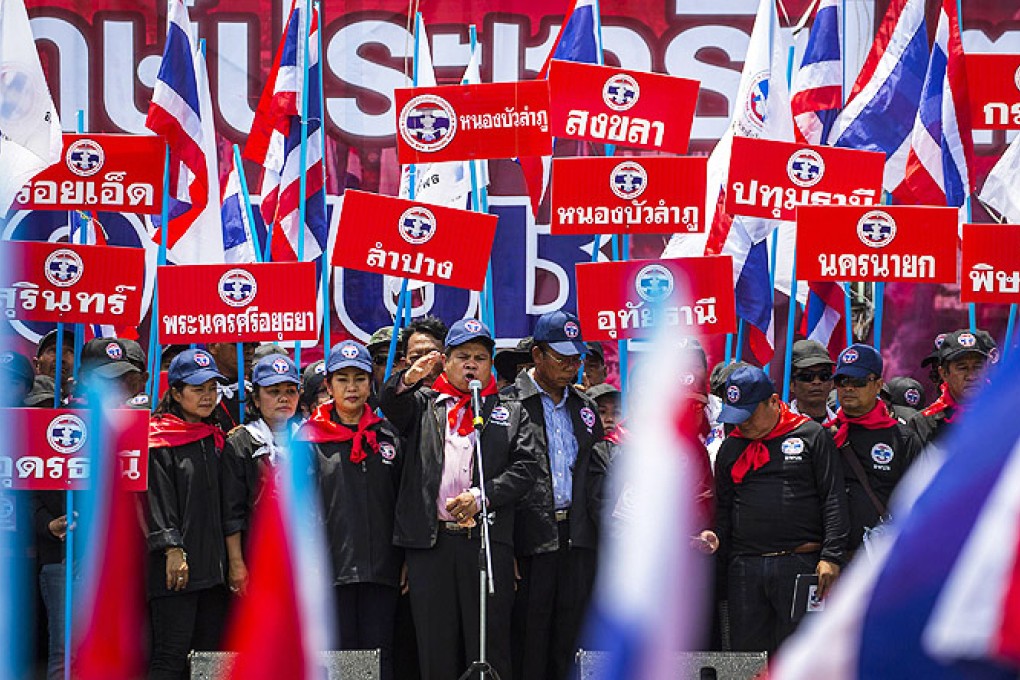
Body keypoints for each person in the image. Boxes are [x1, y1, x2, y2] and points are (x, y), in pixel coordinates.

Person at [380, 318, 541, 680]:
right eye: (463, 356)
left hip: (485, 541)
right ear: (446, 361)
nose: (471, 364)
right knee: (435, 649)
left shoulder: (511, 411)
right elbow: (388, 403)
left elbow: (526, 468)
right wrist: (409, 377)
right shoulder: (424, 404)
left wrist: (482, 497)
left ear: (490, 365)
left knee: (489, 647)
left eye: (481, 357)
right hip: (432, 545)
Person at [710, 365, 848, 654]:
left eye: (748, 414)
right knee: (747, 659)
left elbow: (833, 498)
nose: (742, 424)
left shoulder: (811, 435)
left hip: (800, 563)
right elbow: (723, 509)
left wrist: (831, 556)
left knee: (800, 654)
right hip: (746, 568)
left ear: (773, 401)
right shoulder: (730, 449)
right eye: (736, 417)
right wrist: (715, 538)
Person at [503, 311, 608, 680]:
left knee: (573, 639)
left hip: (576, 539)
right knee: (531, 641)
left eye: (576, 358)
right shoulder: (508, 404)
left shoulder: (586, 408)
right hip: (530, 541)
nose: (572, 366)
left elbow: (597, 477)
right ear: (537, 355)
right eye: (562, 358)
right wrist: (506, 546)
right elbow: (496, 477)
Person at [299, 341, 404, 680]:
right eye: (342, 379)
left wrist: (403, 559)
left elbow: (402, 502)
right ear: (328, 386)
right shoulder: (307, 440)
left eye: (359, 378)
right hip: (330, 571)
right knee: (337, 660)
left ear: (371, 382)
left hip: (381, 569)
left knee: (379, 657)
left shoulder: (387, 435)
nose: (352, 388)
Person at [145, 349, 230, 679]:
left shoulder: (217, 437)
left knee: (211, 658)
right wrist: (172, 547)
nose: (207, 396)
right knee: (171, 654)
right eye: (198, 389)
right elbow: (157, 501)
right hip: (174, 569)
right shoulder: (158, 439)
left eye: (212, 387)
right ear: (176, 393)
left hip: (213, 570)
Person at [220, 354, 302, 601]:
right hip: (257, 555)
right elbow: (232, 512)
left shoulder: (310, 437)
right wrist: (236, 563)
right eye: (273, 391)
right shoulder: (240, 443)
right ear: (255, 398)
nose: (283, 398)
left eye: (290, 390)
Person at [825, 345, 921, 554]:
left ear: (878, 385)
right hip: (832, 560)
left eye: (858, 382)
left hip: (880, 558)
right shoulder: (824, 436)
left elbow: (916, 502)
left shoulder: (902, 438)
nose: (849, 388)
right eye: (842, 381)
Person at [909, 329, 997, 449]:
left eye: (978, 367)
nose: (971, 376)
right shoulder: (923, 424)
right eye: (962, 368)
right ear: (944, 373)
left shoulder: (1005, 414)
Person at [206, 342, 256, 432]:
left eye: (254, 345)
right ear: (213, 346)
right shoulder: (195, 394)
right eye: (240, 344)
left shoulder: (258, 390)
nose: (250, 351)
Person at [788, 340, 836, 424]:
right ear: (791, 385)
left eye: (824, 376)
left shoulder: (843, 427)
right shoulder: (780, 427)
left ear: (832, 383)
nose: (816, 382)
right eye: (807, 376)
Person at [398, 315, 448, 385]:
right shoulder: (393, 392)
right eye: (415, 358)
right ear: (404, 363)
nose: (424, 365)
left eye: (433, 356)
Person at [34, 329, 75, 399]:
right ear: (37, 364)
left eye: (69, 352)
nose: (61, 359)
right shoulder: (22, 399)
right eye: (52, 351)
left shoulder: (89, 401)